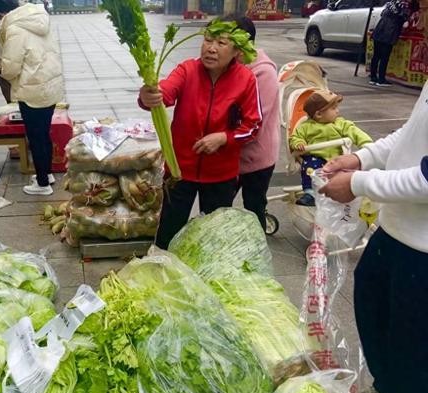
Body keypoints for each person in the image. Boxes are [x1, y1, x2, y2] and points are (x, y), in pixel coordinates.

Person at [319, 80, 428, 393]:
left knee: (417, 336)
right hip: (397, 228)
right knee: (373, 301)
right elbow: (411, 134)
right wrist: (362, 159)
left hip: (424, 244)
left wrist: (360, 183)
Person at [138, 19, 263, 249]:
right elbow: (165, 91)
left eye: (221, 42)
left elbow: (253, 125)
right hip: (179, 172)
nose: (211, 48)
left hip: (221, 176)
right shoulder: (187, 70)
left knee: (213, 239)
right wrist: (149, 96)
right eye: (207, 40)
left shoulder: (246, 80)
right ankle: (162, 270)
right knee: (168, 231)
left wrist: (223, 138)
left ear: (236, 50)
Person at [0, 2, 63, 195]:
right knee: (44, 133)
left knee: (35, 137)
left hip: (32, 90)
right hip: (50, 85)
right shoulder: (41, 20)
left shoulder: (15, 28)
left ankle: (42, 184)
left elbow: (10, 68)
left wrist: (4, 72)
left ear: (3, 12)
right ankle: (47, 173)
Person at [228, 15, 280, 232]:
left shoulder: (263, 72)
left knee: (253, 205)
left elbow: (257, 121)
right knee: (219, 205)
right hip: (231, 153)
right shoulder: (230, 66)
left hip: (257, 156)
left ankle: (258, 248)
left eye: (224, 41)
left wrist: (222, 138)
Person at [289, 90, 372, 206]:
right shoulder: (305, 127)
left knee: (348, 170)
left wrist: (367, 144)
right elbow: (295, 137)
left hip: (337, 158)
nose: (337, 111)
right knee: (309, 168)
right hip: (316, 158)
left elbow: (355, 132)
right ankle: (310, 193)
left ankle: (344, 190)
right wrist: (299, 143)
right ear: (318, 114)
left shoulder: (340, 124)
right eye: (333, 108)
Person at [369, 0, 417, 86]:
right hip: (390, 32)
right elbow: (405, 21)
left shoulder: (391, 3)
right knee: (384, 57)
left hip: (380, 29)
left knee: (376, 56)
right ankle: (381, 80)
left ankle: (373, 77)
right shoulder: (403, 5)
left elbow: (382, 14)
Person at [0, 0, 19, 103]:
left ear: (2, 13)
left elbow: (13, 61)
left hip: (11, 74)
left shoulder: (11, 27)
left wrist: (2, 70)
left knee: (16, 108)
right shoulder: (28, 19)